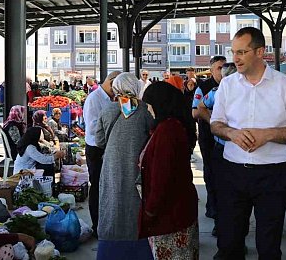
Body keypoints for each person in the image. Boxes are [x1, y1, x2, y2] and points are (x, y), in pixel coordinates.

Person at [210, 27, 286, 260]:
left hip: (273, 174)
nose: (235, 58)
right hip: (233, 171)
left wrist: (269, 134)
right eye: (233, 52)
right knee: (228, 241)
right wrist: (231, 133)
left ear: (260, 52)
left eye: (242, 52)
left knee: (269, 243)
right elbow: (215, 124)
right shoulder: (227, 85)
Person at [94, 72, 153, 260]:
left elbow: (99, 140)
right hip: (138, 169)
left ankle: (111, 249)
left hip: (112, 165)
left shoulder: (107, 110)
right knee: (136, 205)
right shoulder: (146, 111)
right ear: (136, 87)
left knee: (111, 203)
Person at [140, 82, 199, 259]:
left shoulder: (167, 131)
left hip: (170, 215)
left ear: (160, 104)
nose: (149, 111)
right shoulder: (172, 126)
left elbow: (161, 177)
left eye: (150, 106)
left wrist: (149, 211)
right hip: (178, 210)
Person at [196, 62, 236, 237]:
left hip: (242, 150)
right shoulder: (214, 92)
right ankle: (220, 225)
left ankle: (236, 232)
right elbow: (200, 107)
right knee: (221, 188)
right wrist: (214, 121)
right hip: (221, 147)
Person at [83, 71, 120, 236]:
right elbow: (92, 127)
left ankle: (107, 223)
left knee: (108, 187)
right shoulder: (94, 99)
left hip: (108, 147)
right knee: (97, 186)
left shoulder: (111, 99)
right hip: (95, 149)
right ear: (111, 82)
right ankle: (97, 225)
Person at [191, 55, 226, 226]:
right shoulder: (203, 87)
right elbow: (195, 112)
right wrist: (214, 118)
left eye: (225, 67)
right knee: (211, 171)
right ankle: (212, 206)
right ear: (211, 70)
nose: (223, 70)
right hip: (209, 137)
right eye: (219, 68)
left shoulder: (235, 84)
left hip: (229, 140)